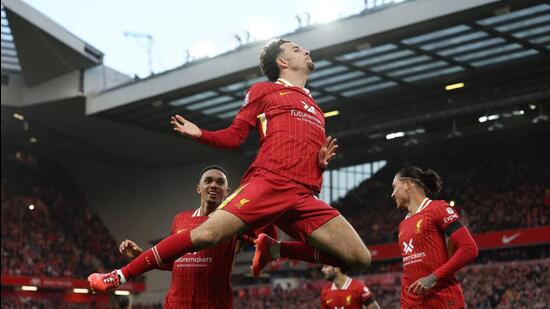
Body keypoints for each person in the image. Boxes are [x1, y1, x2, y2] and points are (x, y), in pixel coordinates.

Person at [88, 38, 371, 292]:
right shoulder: (264, 91)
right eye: (297, 49)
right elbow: (235, 136)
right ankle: (120, 275)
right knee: (206, 234)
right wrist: (202, 134)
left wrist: (319, 164)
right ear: (282, 62)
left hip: (302, 195)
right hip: (269, 182)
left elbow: (301, 153)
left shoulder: (317, 109)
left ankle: (274, 250)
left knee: (358, 258)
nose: (306, 50)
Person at [117, 166, 239, 308]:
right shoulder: (180, 219)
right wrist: (141, 255)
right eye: (208, 181)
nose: (213, 185)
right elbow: (172, 262)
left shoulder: (233, 222)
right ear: (199, 188)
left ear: (227, 191)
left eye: (220, 182)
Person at [391, 166, 478, 309]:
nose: (392, 194)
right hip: (413, 303)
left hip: (443, 301)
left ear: (408, 184)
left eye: (395, 187)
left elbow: (469, 249)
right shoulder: (403, 225)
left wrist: (432, 278)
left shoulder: (438, 209)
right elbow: (410, 270)